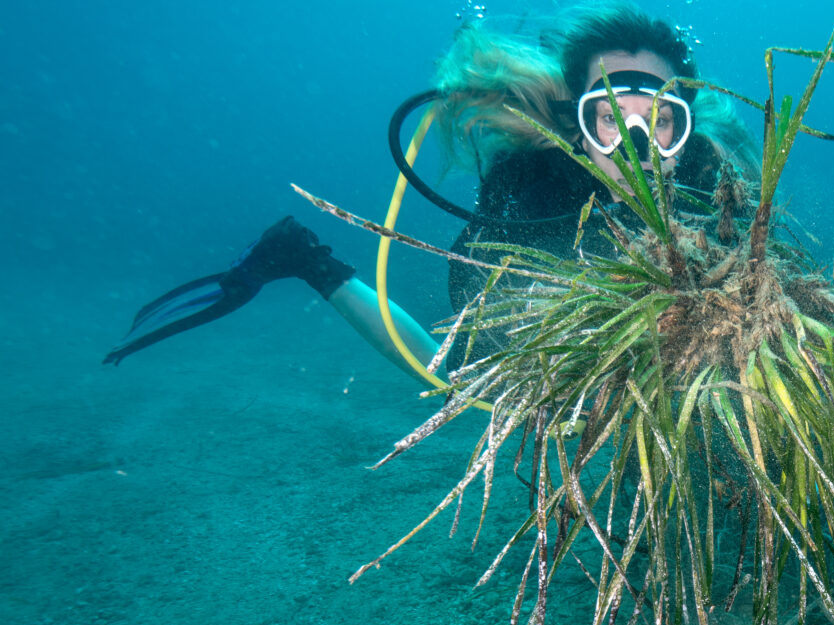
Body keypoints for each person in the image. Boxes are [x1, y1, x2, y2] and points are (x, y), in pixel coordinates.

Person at [103, 2, 754, 378]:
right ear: (576, 128)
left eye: (661, 121)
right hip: (544, 315)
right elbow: (484, 291)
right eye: (610, 119)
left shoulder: (709, 176)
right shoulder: (530, 176)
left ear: (684, 126)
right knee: (456, 377)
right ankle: (306, 260)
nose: (638, 150)